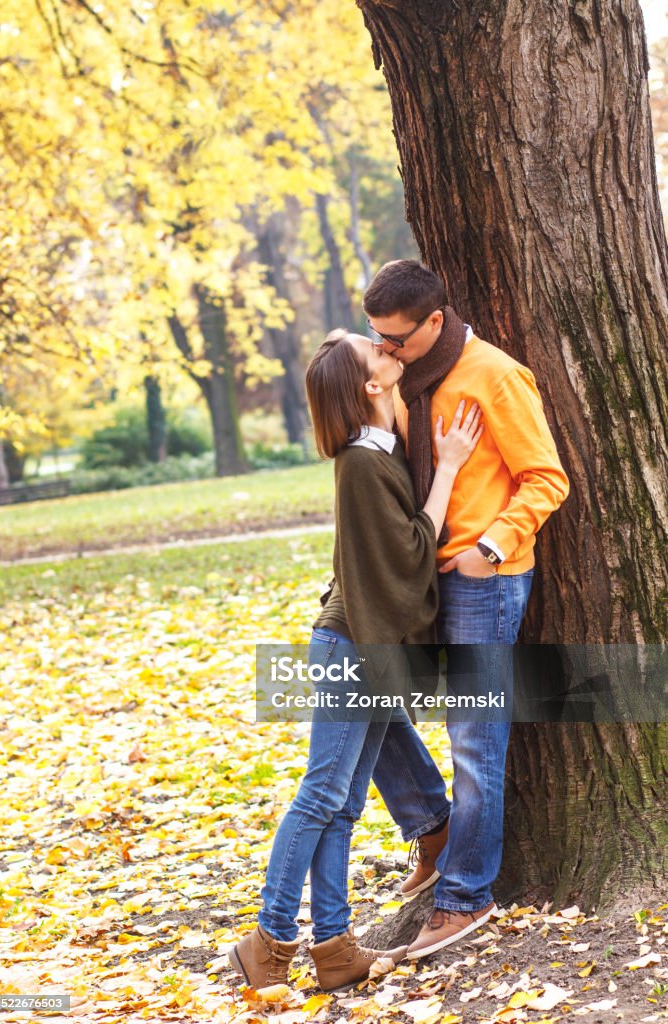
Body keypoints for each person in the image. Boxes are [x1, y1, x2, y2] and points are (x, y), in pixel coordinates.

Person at [229, 328, 483, 992]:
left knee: (341, 807)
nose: (388, 350)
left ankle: (336, 948)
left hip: (366, 644)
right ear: (371, 385)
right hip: (352, 645)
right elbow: (408, 552)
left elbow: (393, 547)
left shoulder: (378, 448)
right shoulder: (364, 463)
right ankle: (269, 940)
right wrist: (452, 465)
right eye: (378, 354)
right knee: (320, 796)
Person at [363, 259, 570, 959]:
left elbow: (547, 478)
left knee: (475, 740)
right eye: (378, 337)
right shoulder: (398, 378)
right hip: (412, 577)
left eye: (397, 337)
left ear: (434, 320)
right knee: (363, 697)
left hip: (483, 578)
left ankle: (463, 897)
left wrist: (490, 545)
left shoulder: (496, 375)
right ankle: (433, 827)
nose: (386, 348)